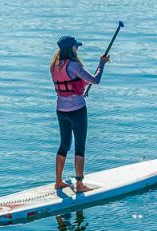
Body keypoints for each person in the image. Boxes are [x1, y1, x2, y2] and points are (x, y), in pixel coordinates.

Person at [51, 35, 110, 192]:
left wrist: (79, 89)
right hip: (77, 110)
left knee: (64, 144)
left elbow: (69, 84)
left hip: (61, 110)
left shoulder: (54, 65)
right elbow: (95, 80)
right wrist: (101, 64)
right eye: (76, 47)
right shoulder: (74, 65)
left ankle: (58, 181)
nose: (77, 49)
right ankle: (79, 184)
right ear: (71, 48)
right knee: (80, 147)